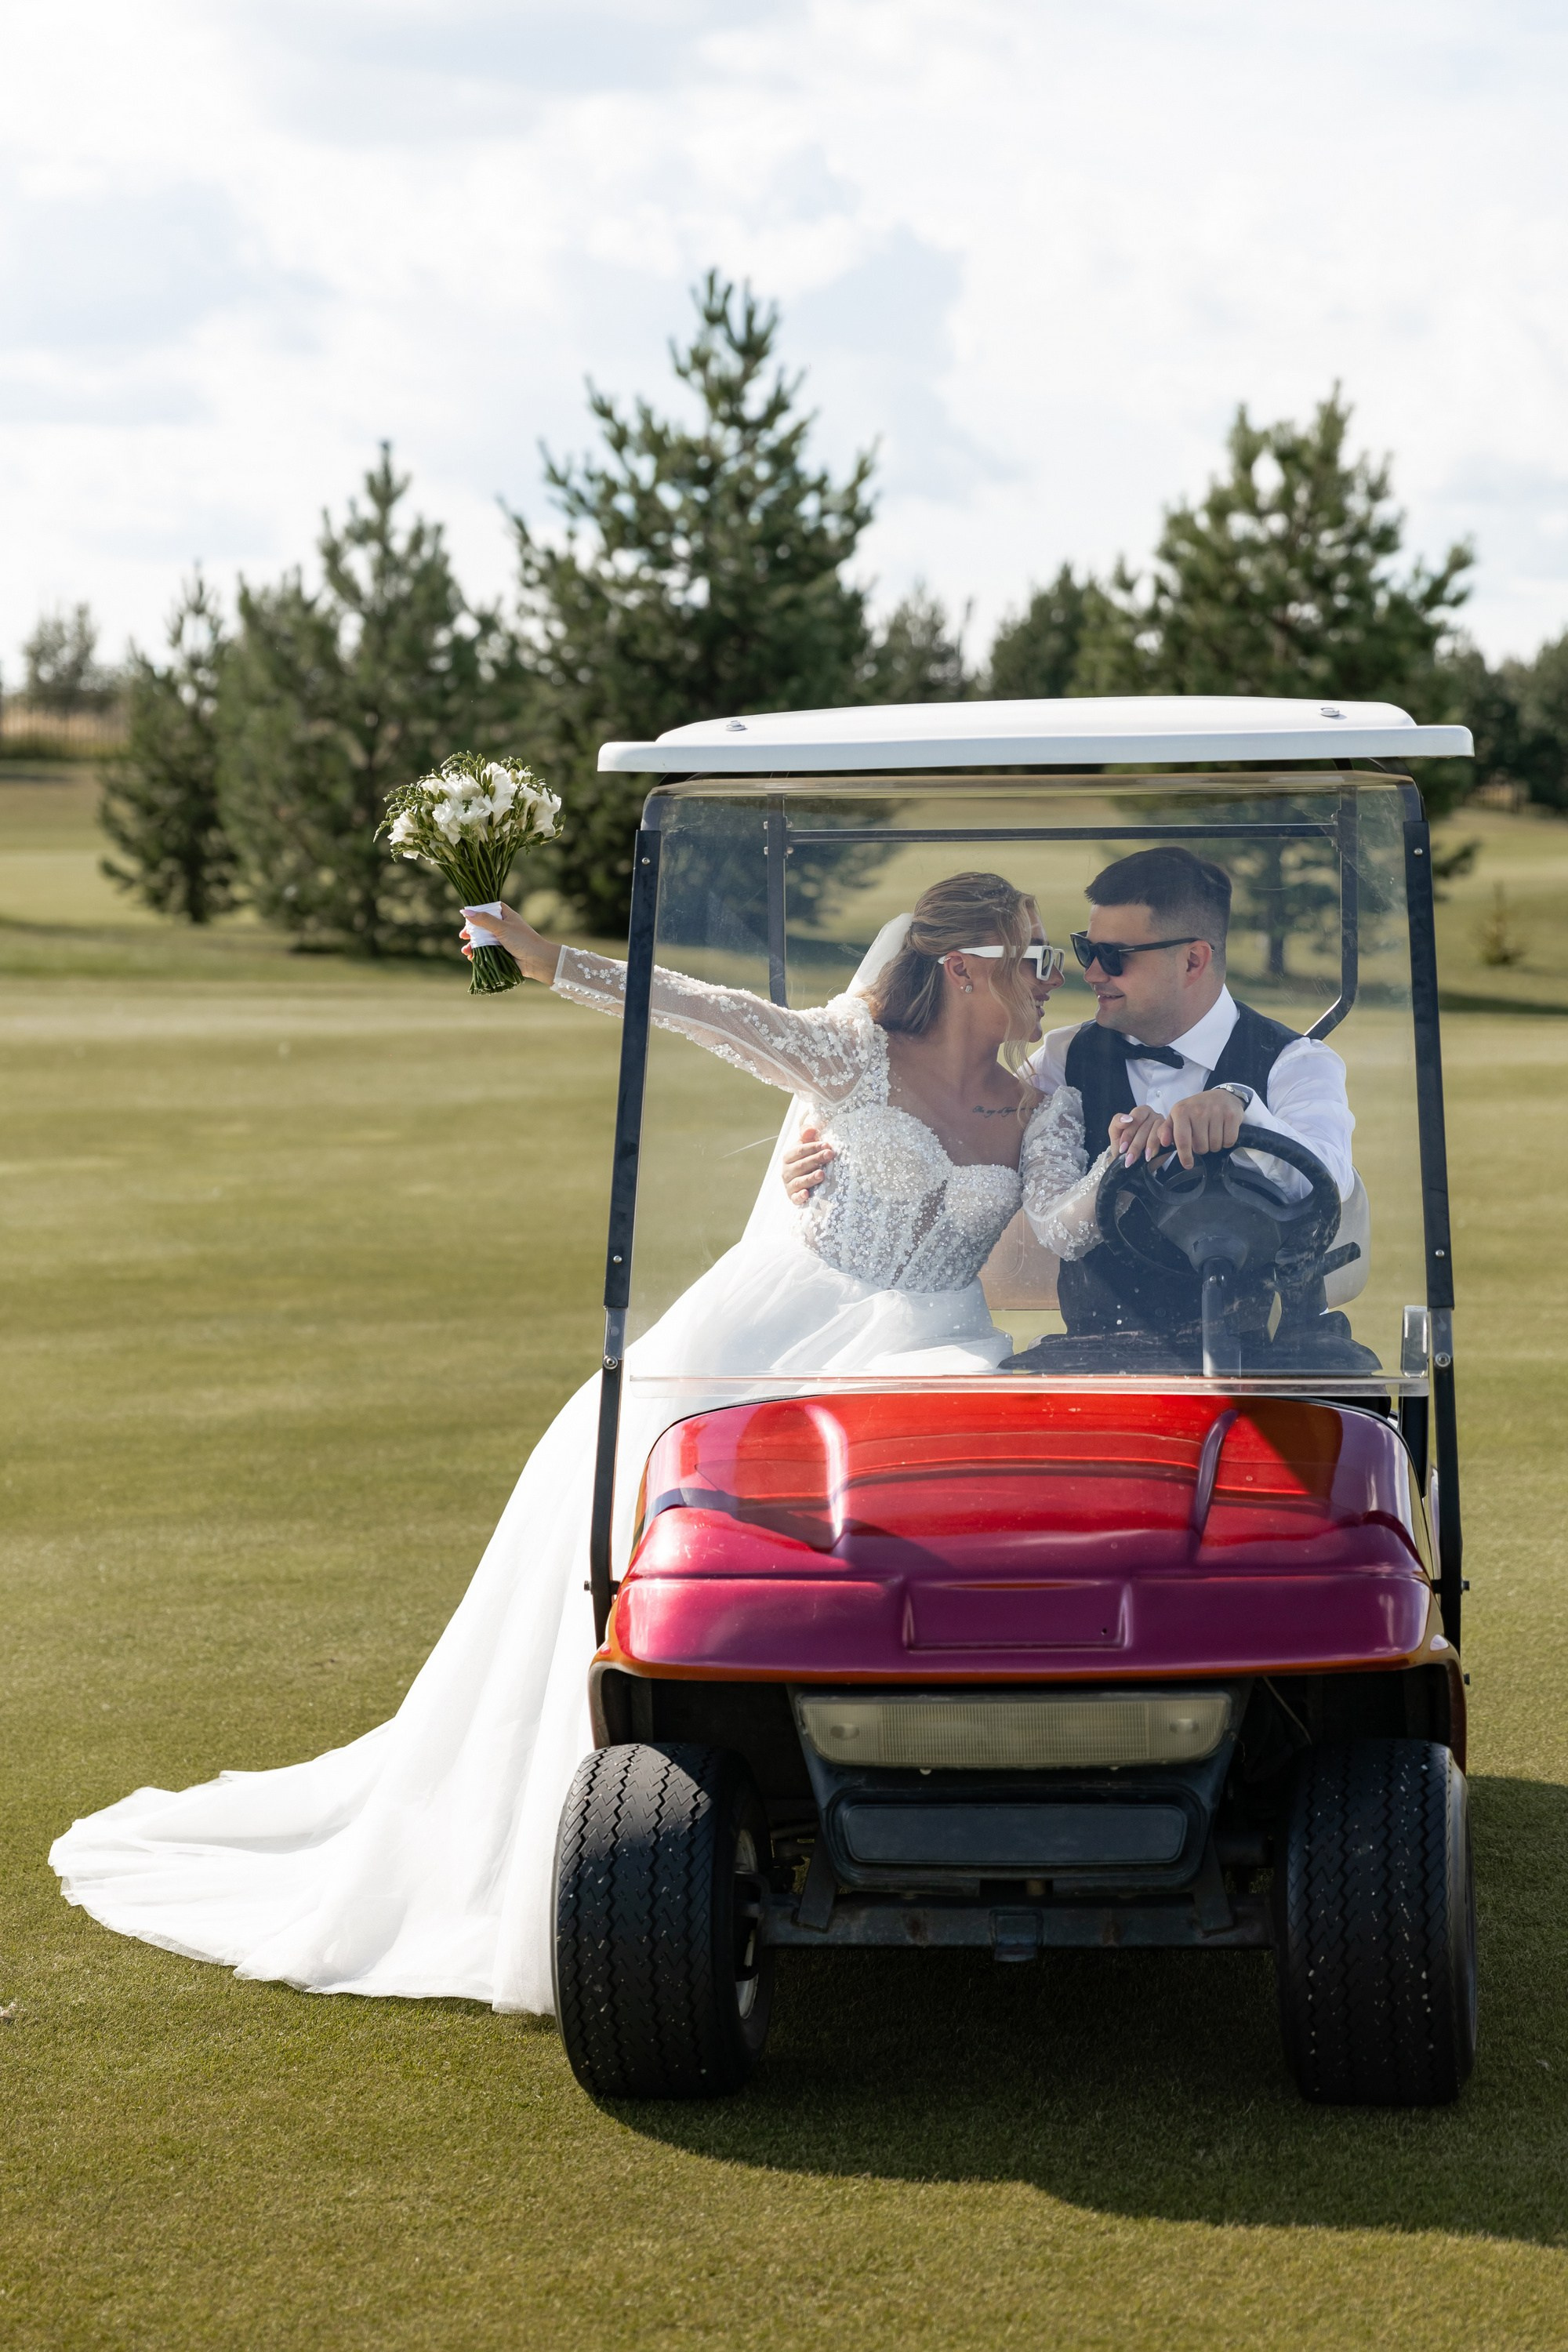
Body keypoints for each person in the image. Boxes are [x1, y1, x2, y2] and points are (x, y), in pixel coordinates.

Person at [50, 872, 1094, 2017]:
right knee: (646, 1541)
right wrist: (550, 960)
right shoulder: (847, 1056)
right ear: (963, 967)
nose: (1054, 982)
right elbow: (698, 1009)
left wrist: (1149, 1155)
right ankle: (618, 1835)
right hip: (774, 1334)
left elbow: (1059, 1235)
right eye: (1034, 959)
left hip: (930, 1354)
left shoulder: (1042, 1102)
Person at [785, 847, 1357, 1356]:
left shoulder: (1296, 1064)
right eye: (1087, 948)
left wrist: (1239, 1105)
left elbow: (1328, 1175)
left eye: (1115, 956)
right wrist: (841, 1161)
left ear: (1193, 960)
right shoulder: (1062, 1062)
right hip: (1097, 1356)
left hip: (1260, 1355)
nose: (1089, 972)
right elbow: (953, 1123)